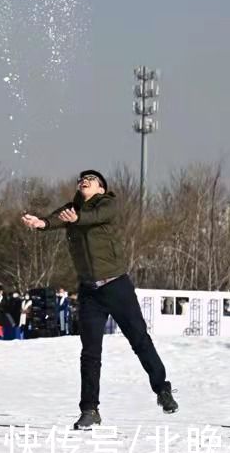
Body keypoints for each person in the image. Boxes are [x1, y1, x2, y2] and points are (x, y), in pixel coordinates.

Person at [22, 170, 177, 430]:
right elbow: (56, 219)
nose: (84, 180)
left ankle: (162, 389)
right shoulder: (72, 208)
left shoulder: (107, 204)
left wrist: (77, 218)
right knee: (90, 353)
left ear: (101, 189)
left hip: (116, 285)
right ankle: (89, 409)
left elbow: (95, 217)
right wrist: (42, 223)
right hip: (89, 291)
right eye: (82, 178)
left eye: (91, 179)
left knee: (139, 339)